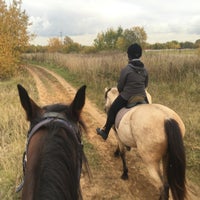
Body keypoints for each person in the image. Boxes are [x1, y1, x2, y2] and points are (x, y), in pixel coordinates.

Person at [96, 43, 149, 140]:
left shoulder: (126, 69)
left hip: (127, 96)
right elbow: (145, 85)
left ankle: (105, 131)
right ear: (140, 55)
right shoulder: (145, 70)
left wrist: (123, 92)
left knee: (112, 110)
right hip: (142, 96)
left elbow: (120, 86)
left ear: (129, 55)